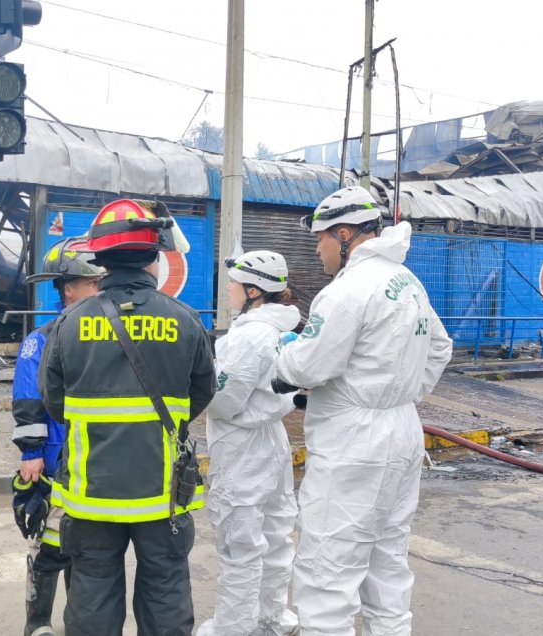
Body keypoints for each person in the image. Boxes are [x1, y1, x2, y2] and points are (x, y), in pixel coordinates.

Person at [272, 186, 453, 636]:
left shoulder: (347, 290)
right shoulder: (407, 281)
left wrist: (284, 359)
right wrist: (401, 388)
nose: (318, 251)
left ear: (346, 234)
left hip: (355, 443)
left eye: (321, 240)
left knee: (327, 573)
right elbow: (440, 347)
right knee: (387, 565)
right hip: (401, 430)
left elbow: (311, 364)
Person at [40, 199, 216, 636]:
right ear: (154, 257)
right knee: (166, 590)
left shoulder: (67, 324)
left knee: (93, 593)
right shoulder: (187, 320)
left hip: (91, 491)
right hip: (162, 495)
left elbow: (53, 401)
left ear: (99, 261)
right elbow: (202, 392)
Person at [197, 250, 300, 636]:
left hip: (243, 446)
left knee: (239, 542)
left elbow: (223, 401)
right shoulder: (282, 328)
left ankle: (234, 627)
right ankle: (272, 618)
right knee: (275, 536)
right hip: (273, 439)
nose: (228, 288)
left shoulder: (249, 337)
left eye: (234, 283)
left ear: (254, 291)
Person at [12, 236, 104, 636]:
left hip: (95, 464)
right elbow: (27, 399)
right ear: (70, 289)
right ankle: (38, 626)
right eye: (94, 283)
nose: (102, 290)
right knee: (48, 549)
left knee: (86, 554)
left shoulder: (103, 332)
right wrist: (32, 452)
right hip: (52, 463)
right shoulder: (41, 340)